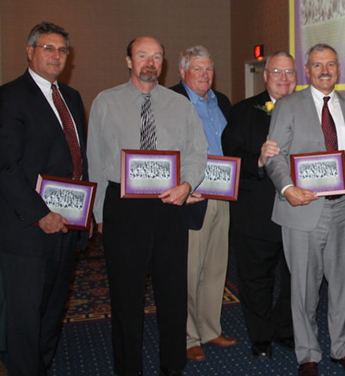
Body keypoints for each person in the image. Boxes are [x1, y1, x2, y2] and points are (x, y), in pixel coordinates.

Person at [87, 36, 207, 376]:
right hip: (122, 209)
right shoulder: (105, 102)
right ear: (129, 61)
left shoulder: (180, 104)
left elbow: (197, 152)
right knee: (126, 300)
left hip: (170, 207)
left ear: (163, 62)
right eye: (142, 55)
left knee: (172, 295)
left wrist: (187, 184)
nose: (150, 62)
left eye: (156, 56)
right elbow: (94, 159)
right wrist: (98, 215)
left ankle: (173, 366)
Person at [265, 43, 345, 376]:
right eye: (318, 65)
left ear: (339, 70)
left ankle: (341, 349)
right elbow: (275, 156)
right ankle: (307, 353)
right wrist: (288, 188)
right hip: (302, 209)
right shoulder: (288, 105)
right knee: (304, 289)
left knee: (342, 286)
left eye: (331, 65)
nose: (325, 70)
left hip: (344, 208)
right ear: (307, 71)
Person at [0, 21, 87, 376]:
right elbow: (5, 167)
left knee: (52, 310)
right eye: (48, 48)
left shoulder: (72, 97)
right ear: (30, 51)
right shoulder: (9, 97)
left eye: (62, 50)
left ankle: (42, 367)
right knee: (25, 318)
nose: (56, 56)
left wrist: (86, 212)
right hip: (28, 231)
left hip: (67, 225)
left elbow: (78, 159)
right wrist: (40, 214)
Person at [221, 51, 296, 360]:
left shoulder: (308, 110)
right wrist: (259, 160)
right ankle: (261, 335)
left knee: (297, 279)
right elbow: (231, 154)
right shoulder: (243, 111)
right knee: (256, 280)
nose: (283, 78)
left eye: (289, 73)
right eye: (277, 72)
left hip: (297, 213)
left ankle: (286, 328)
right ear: (265, 76)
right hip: (255, 214)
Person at [169, 45, 236, 362]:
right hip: (191, 197)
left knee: (215, 268)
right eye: (197, 69)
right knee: (188, 271)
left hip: (222, 196)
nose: (205, 75)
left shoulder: (220, 101)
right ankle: (187, 336)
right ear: (182, 72)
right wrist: (179, 185)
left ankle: (210, 329)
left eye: (208, 69)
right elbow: (158, 149)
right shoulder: (170, 101)